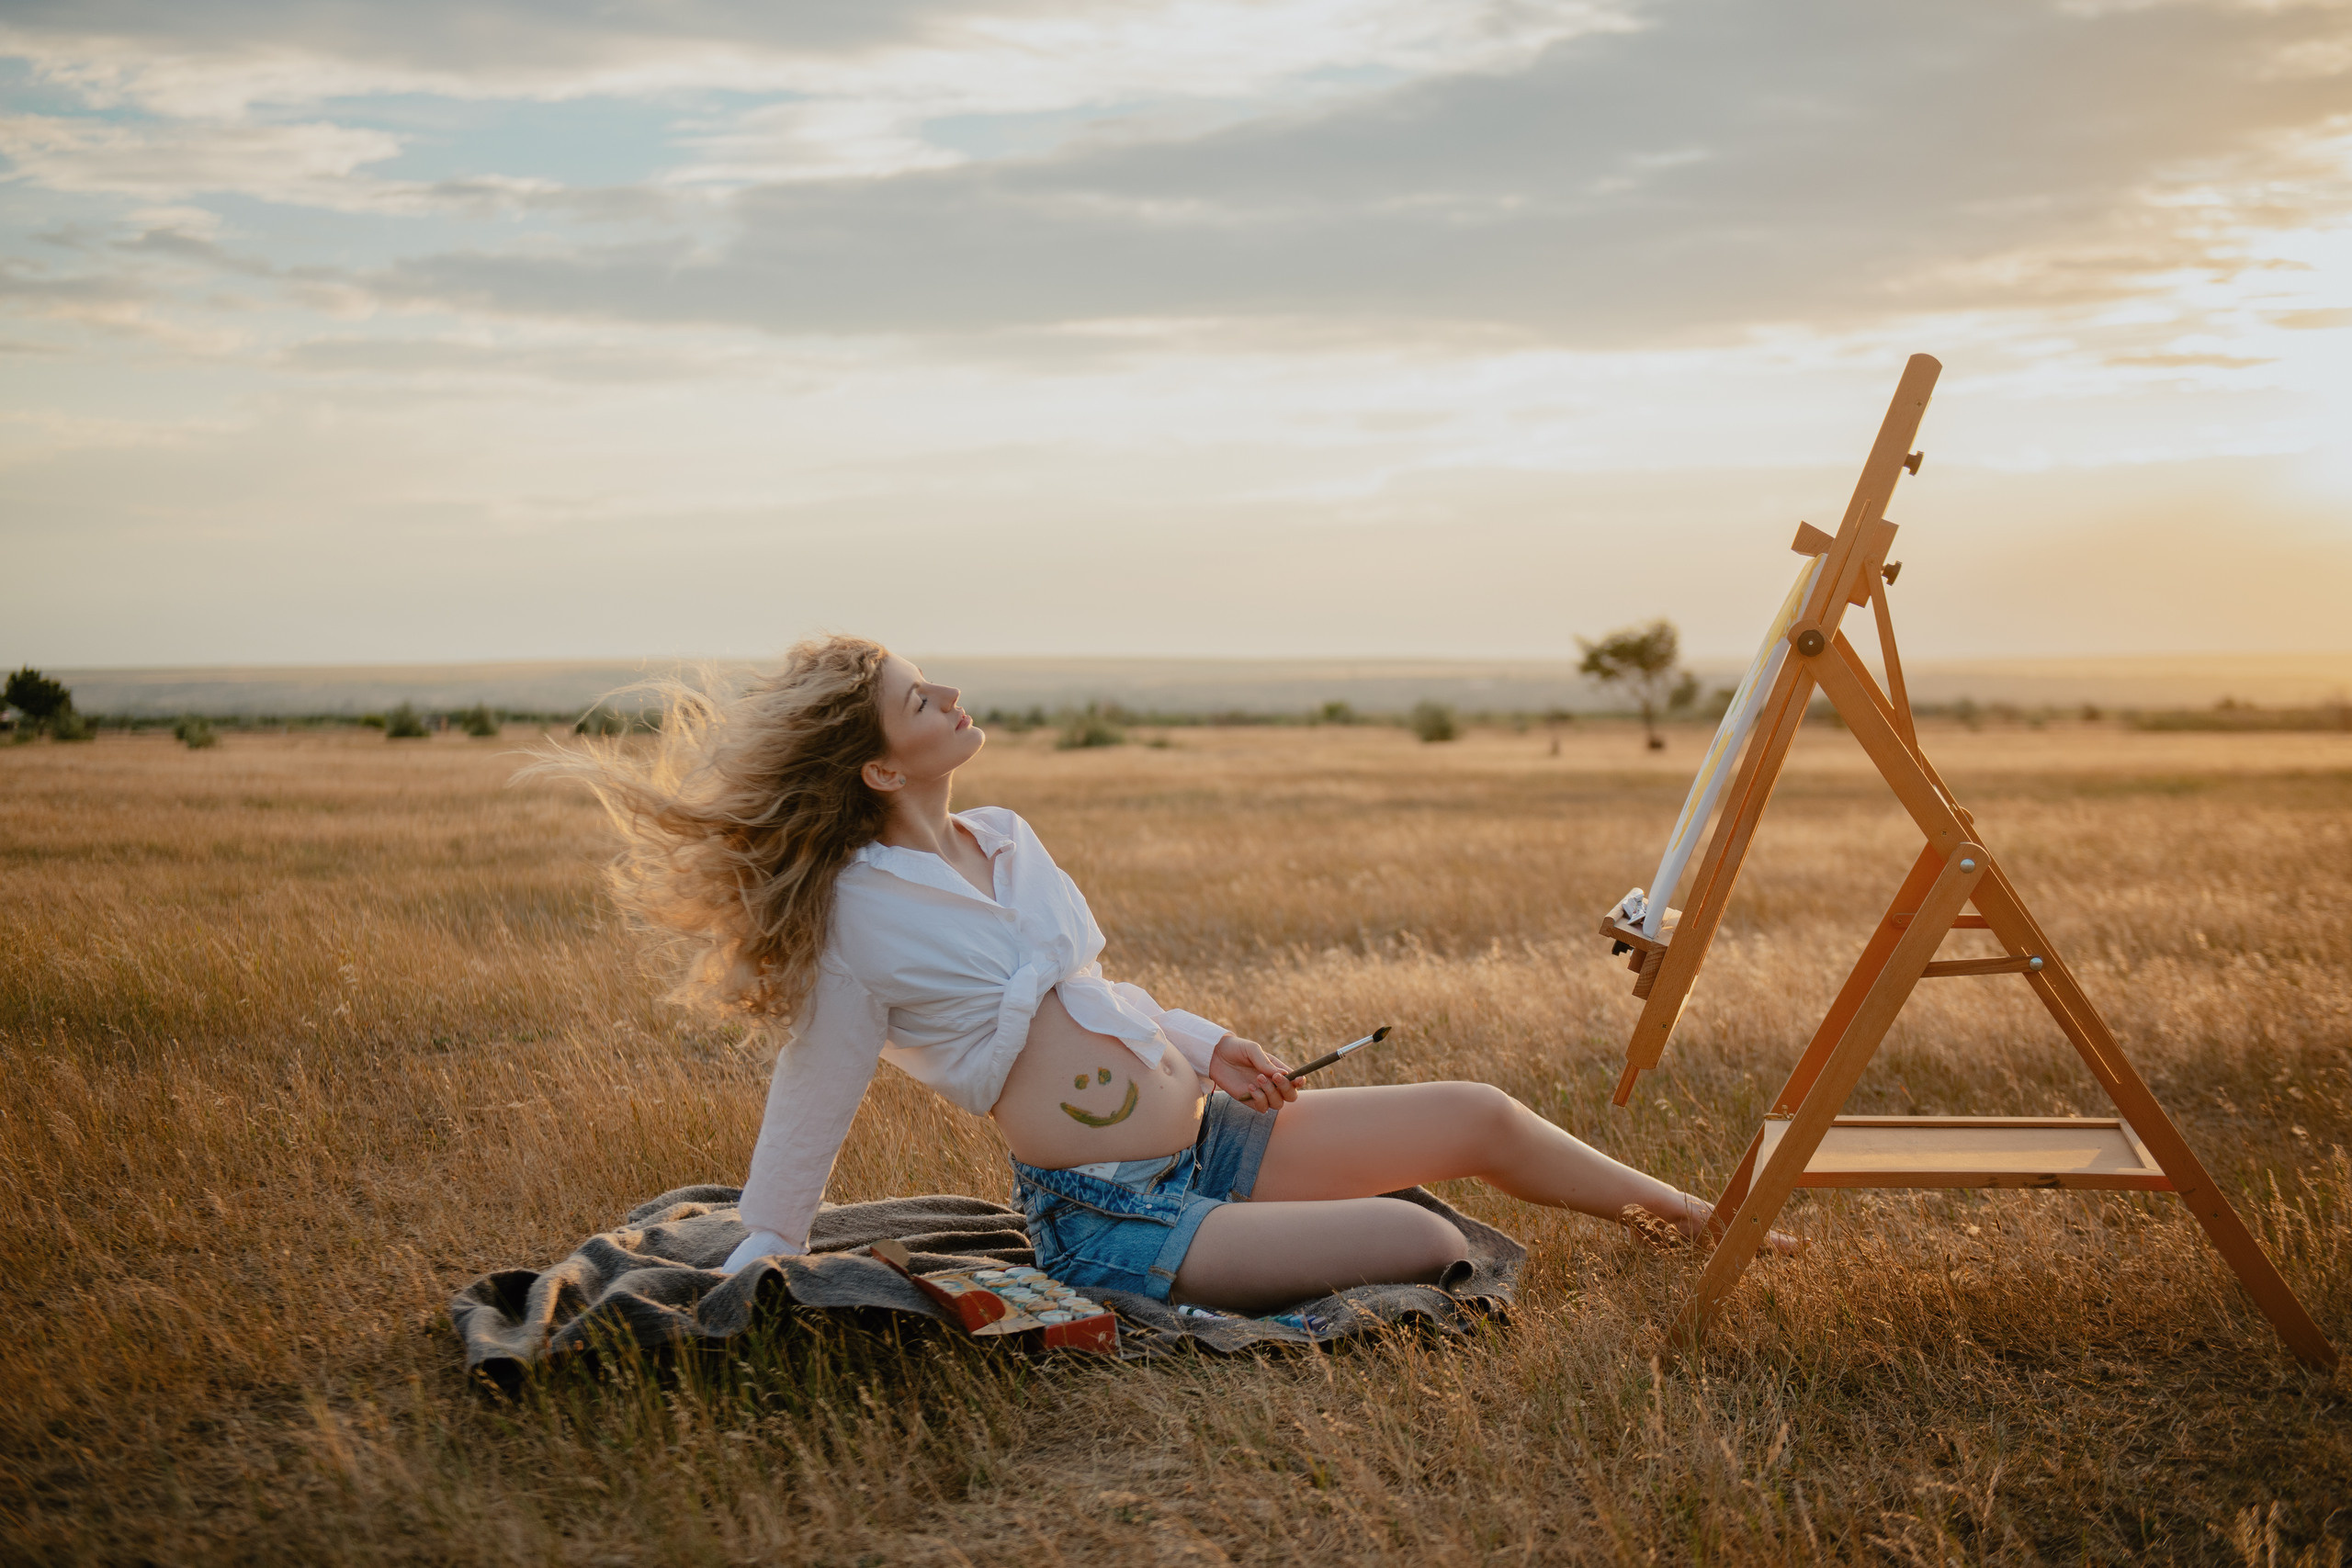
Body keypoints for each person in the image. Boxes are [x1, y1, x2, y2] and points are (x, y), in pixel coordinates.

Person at [550, 636, 1792, 1315]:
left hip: (1208, 1144)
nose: (951, 693)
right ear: (880, 767)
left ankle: (1707, 1230)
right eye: (918, 698)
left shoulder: (1006, 839)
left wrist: (1209, 1048)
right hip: (1110, 1218)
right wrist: (767, 1246)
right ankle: (1239, 1252)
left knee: (1478, 1115)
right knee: (1420, 1235)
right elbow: (813, 1087)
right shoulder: (857, 922)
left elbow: (1099, 991)